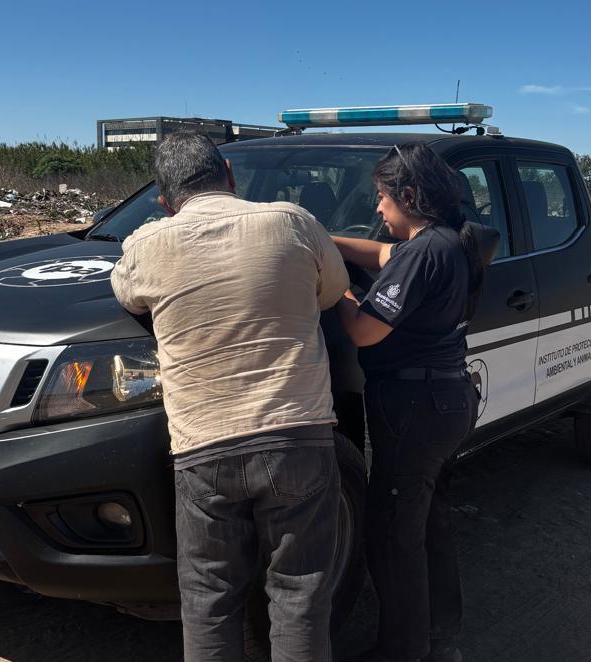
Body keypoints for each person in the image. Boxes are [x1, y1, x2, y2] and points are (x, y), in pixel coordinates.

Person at [111, 131, 350, 662]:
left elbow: (126, 294)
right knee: (300, 593)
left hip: (203, 448)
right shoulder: (293, 221)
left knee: (209, 600)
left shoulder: (146, 245)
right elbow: (331, 291)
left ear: (164, 200)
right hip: (297, 437)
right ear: (230, 176)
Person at [333, 143, 497, 662]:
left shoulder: (424, 252)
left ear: (408, 195)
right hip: (444, 399)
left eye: (381, 197)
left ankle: (403, 651)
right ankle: (441, 637)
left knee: (392, 535)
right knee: (427, 522)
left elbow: (363, 331)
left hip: (414, 407)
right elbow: (381, 255)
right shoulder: (449, 242)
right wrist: (324, 239)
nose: (377, 208)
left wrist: (336, 287)